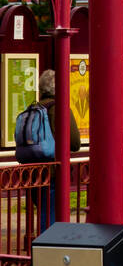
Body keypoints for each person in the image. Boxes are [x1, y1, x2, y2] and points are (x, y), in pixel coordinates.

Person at [36, 69, 82, 232]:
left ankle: (42, 248)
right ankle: (47, 252)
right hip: (54, 171)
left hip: (32, 170)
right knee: (51, 216)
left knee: (44, 212)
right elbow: (75, 143)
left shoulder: (33, 108)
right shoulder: (61, 109)